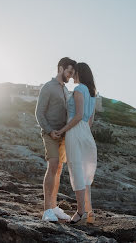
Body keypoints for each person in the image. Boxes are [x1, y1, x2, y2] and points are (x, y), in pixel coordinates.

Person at [35, 57, 76, 222]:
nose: (71, 76)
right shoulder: (48, 87)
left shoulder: (65, 89)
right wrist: (50, 131)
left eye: (72, 73)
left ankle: (53, 206)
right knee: (52, 165)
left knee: (59, 169)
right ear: (60, 68)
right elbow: (39, 113)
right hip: (50, 134)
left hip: (63, 136)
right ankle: (46, 211)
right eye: (69, 72)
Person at [57, 62, 97, 224]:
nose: (72, 75)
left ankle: (80, 212)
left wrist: (63, 130)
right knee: (86, 172)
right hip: (86, 133)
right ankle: (89, 213)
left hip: (75, 131)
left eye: (75, 72)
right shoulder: (92, 93)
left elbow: (79, 115)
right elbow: (90, 120)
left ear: (80, 73)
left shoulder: (80, 89)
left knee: (77, 170)